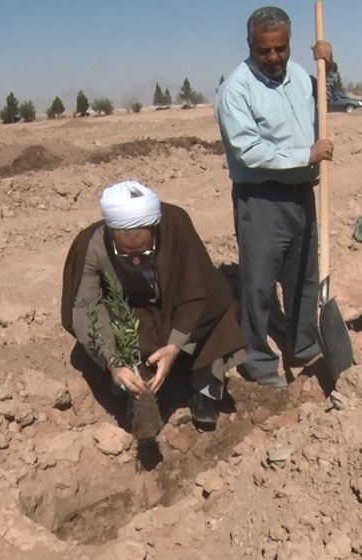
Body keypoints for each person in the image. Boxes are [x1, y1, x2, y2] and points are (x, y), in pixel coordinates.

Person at [215, 6, 338, 388]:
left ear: (288, 43)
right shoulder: (236, 90)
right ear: (250, 44)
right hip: (263, 199)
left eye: (281, 49)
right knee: (258, 284)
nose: (273, 58)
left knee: (304, 277)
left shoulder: (301, 75)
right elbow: (249, 151)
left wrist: (329, 69)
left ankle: (302, 345)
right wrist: (306, 155)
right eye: (264, 50)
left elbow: (327, 103)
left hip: (303, 194)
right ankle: (258, 362)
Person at [61, 180, 246, 427]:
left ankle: (204, 389)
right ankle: (140, 394)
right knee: (122, 333)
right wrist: (113, 363)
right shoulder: (91, 245)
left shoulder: (175, 224)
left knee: (221, 306)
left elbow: (197, 285)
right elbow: (86, 308)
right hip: (133, 314)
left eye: (145, 253)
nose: (136, 262)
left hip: (177, 307)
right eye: (127, 255)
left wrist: (176, 345)